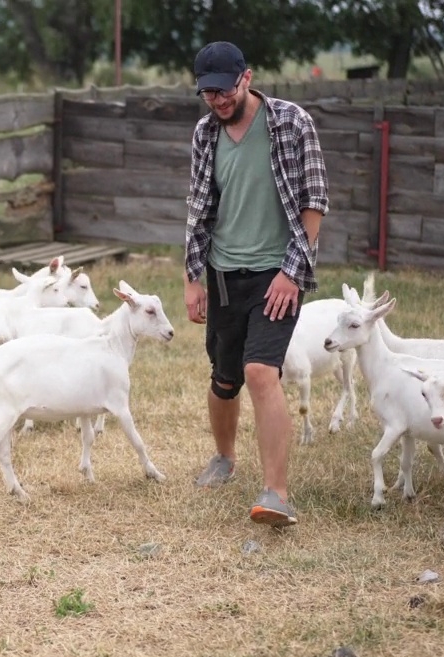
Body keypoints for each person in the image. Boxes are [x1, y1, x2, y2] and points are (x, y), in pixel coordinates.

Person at [182, 41, 329, 528]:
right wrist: (192, 278)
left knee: (260, 372)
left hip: (277, 274)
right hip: (224, 273)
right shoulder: (206, 133)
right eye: (208, 94)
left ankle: (276, 494)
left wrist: (292, 271)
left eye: (224, 91)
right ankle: (224, 457)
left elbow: (313, 203)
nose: (218, 101)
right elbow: (199, 211)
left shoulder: (291, 122)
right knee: (225, 378)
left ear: (246, 78)